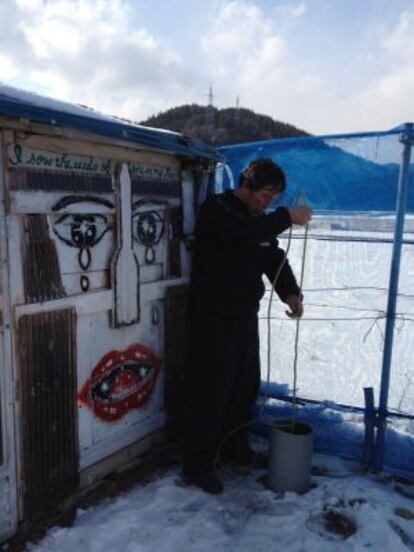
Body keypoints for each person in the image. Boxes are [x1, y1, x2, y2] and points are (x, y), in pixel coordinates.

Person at [182, 158, 312, 494]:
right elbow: (244, 236)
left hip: (243, 315)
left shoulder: (258, 222)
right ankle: (198, 464)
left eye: (274, 197)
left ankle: (235, 450)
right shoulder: (218, 210)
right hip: (212, 317)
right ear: (248, 184)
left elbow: (272, 258)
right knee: (211, 390)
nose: (268, 202)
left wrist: (291, 293)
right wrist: (285, 217)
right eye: (266, 194)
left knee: (244, 386)